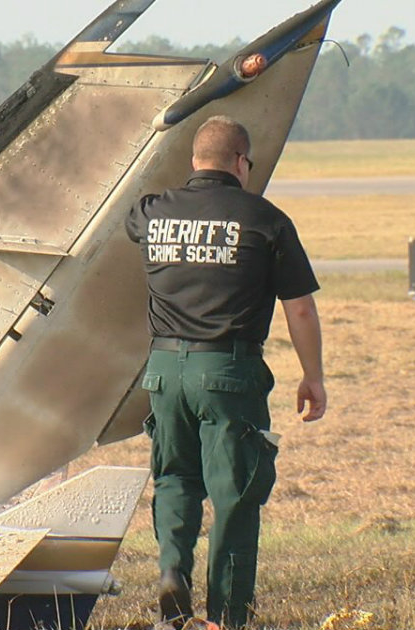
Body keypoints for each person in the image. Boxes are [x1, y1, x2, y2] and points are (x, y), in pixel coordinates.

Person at [125, 115, 326, 629]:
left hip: (165, 368)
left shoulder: (152, 213)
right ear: (241, 162)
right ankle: (227, 616)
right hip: (229, 369)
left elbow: (126, 212)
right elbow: (299, 308)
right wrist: (313, 376)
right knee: (235, 493)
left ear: (194, 161)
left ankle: (173, 572)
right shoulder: (265, 220)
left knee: (175, 479)